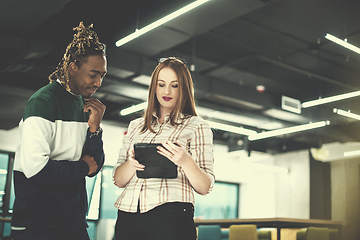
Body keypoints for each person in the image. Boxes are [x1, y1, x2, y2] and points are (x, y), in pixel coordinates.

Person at [11, 22, 107, 240]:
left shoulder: (87, 107)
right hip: (36, 225)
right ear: (73, 67)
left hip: (72, 224)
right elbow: (36, 169)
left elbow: (95, 166)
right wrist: (81, 167)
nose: (99, 82)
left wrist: (94, 129)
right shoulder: (43, 101)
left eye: (102, 75)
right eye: (93, 74)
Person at [113, 57, 215, 240]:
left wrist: (185, 161)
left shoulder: (197, 126)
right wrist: (131, 163)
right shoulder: (136, 125)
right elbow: (119, 180)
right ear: (154, 87)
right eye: (161, 84)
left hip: (170, 216)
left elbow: (205, 187)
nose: (167, 91)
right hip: (128, 214)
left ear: (184, 88)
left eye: (174, 85)